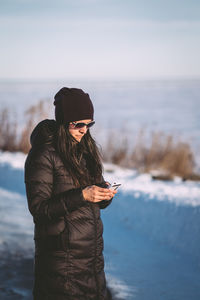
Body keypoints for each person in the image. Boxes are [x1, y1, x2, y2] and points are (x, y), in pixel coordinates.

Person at [24, 87, 117, 300]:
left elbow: (89, 202)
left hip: (91, 262)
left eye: (89, 124)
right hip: (62, 268)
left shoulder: (84, 151)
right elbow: (39, 209)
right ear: (64, 122)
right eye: (78, 124)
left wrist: (102, 194)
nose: (84, 130)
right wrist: (83, 195)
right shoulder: (43, 154)